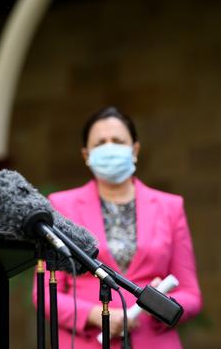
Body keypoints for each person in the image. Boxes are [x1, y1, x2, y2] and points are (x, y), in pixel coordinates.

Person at [33, 106, 202, 348]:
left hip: (153, 341)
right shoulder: (61, 206)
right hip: (87, 342)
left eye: (118, 141)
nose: (109, 147)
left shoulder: (170, 207)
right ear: (86, 155)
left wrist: (160, 305)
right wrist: (96, 314)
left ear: (134, 150)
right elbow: (44, 294)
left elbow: (191, 295)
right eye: (100, 143)